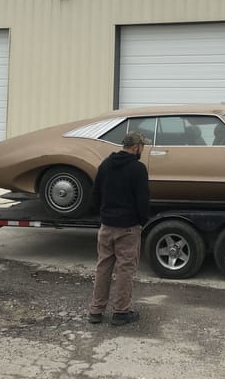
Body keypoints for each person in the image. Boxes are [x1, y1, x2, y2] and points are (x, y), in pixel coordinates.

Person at [88, 131, 150, 326]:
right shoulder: (138, 168)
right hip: (128, 227)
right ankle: (121, 312)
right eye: (142, 146)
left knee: (103, 267)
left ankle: (96, 311)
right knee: (125, 269)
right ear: (136, 147)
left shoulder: (105, 165)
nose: (143, 150)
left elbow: (95, 194)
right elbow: (142, 199)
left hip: (106, 226)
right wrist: (142, 220)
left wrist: (104, 215)